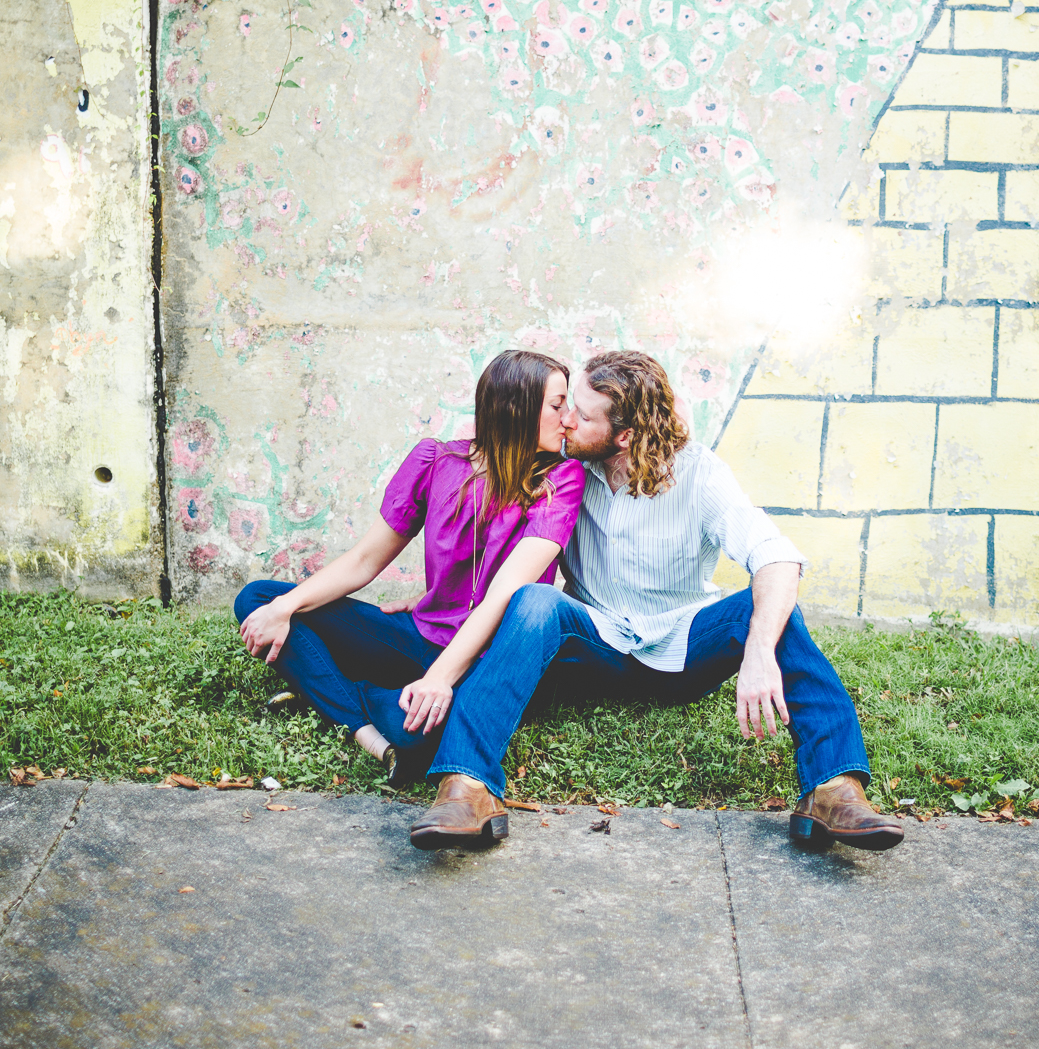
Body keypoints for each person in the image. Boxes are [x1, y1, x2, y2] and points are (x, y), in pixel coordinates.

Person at [408, 349, 902, 856]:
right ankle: (466, 787)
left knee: (775, 612)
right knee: (536, 601)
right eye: (567, 406)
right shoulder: (562, 469)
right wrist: (434, 595)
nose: (565, 420)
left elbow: (775, 557)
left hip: (683, 648)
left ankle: (833, 789)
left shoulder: (698, 473)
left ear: (623, 436)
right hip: (592, 644)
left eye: (581, 414)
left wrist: (758, 653)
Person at [234, 349, 585, 813]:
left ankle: (341, 695)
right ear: (516, 408)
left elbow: (507, 590)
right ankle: (365, 725)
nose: (569, 420)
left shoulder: (561, 479)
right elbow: (364, 560)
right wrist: (284, 609)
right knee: (261, 599)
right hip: (418, 636)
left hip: (483, 659)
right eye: (558, 405)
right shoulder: (436, 461)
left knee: (421, 737)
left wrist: (440, 679)